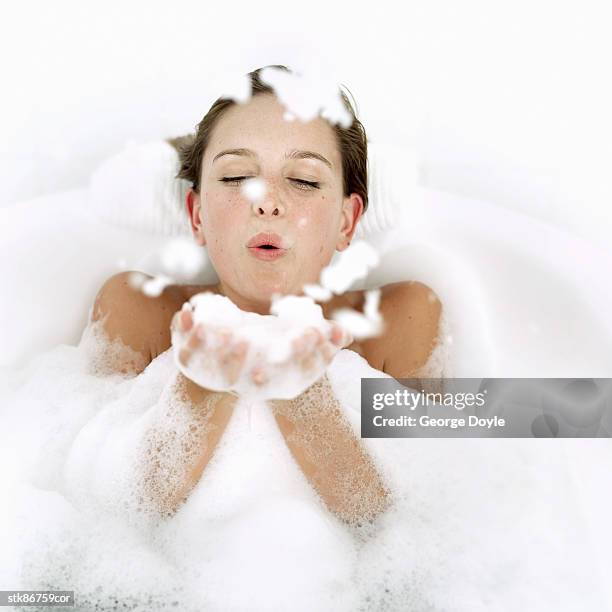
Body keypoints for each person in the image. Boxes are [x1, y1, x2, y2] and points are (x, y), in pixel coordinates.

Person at [90, 64, 443, 527]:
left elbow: (415, 520)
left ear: (346, 221)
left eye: (305, 180)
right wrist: (200, 385)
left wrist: (301, 391)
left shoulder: (399, 321)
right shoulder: (138, 310)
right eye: (236, 176)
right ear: (196, 215)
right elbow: (110, 516)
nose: (266, 200)